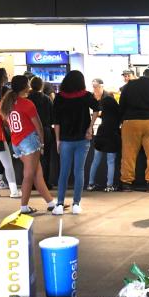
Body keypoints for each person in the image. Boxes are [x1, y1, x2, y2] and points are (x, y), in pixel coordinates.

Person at [0, 75, 57, 215]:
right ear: (25, 86)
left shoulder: (7, 103)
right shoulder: (27, 104)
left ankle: (51, 203)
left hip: (16, 142)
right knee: (30, 175)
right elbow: (39, 126)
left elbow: (7, 124)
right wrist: (42, 144)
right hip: (29, 141)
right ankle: (24, 207)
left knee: (37, 173)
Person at [52, 70, 99, 215]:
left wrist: (58, 139)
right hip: (82, 139)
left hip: (65, 139)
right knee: (79, 171)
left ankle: (59, 204)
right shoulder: (86, 96)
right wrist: (90, 126)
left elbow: (56, 121)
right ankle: (76, 204)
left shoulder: (59, 97)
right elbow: (97, 108)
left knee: (64, 172)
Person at [89, 91, 122, 192]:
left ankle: (90, 184)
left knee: (95, 161)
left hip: (101, 134)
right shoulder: (118, 113)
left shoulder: (104, 114)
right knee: (110, 161)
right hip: (112, 135)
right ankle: (109, 185)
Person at [28, 76, 56, 188]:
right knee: (46, 158)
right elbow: (53, 116)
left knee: (31, 158)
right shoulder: (47, 99)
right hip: (45, 130)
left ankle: (33, 183)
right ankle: (44, 182)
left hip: (30, 131)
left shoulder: (27, 100)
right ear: (42, 86)